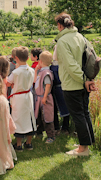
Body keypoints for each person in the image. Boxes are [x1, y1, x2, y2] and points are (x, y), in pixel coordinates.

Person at [54, 13, 97, 156]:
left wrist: (84, 80)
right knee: (84, 113)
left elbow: (71, 65)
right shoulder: (81, 37)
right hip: (83, 82)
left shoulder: (62, 41)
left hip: (73, 83)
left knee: (78, 115)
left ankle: (83, 149)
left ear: (60, 25)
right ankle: (86, 143)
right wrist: (88, 79)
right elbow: (91, 59)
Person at [6, 47, 36, 152]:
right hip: (28, 95)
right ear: (28, 58)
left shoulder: (16, 72)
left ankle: (19, 144)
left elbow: (8, 83)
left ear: (16, 58)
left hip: (18, 97)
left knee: (18, 118)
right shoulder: (32, 70)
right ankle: (29, 142)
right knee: (29, 117)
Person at [33, 51, 55, 144]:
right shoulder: (41, 71)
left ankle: (51, 136)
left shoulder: (46, 73)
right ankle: (39, 131)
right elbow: (35, 81)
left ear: (40, 61)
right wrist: (35, 71)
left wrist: (45, 97)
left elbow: (47, 85)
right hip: (40, 98)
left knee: (47, 117)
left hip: (44, 98)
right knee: (40, 116)